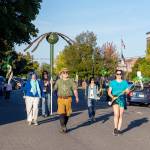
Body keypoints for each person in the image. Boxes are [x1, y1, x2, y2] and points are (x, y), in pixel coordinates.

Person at [54, 68, 79, 133]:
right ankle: (63, 126)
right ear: (61, 74)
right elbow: (55, 89)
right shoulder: (58, 81)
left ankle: (64, 125)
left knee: (68, 113)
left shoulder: (71, 80)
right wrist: (52, 84)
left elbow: (75, 89)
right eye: (64, 72)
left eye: (67, 72)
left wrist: (76, 97)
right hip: (61, 99)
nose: (66, 74)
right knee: (61, 113)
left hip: (68, 99)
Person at [108, 69, 129, 136]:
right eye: (117, 74)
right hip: (115, 98)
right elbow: (109, 92)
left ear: (121, 75)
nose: (119, 75)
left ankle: (119, 130)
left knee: (120, 115)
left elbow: (128, 91)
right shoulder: (112, 82)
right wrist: (112, 97)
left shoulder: (125, 82)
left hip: (122, 98)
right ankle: (115, 129)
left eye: (120, 74)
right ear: (115, 75)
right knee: (116, 114)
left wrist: (126, 91)